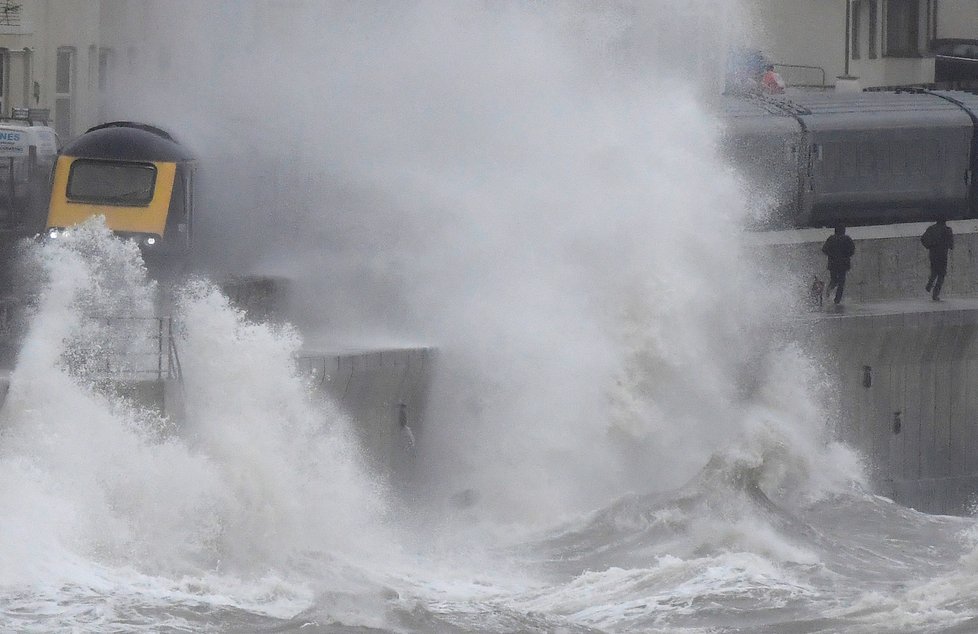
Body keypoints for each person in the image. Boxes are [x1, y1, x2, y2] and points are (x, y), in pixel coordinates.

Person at [822, 224, 855, 305]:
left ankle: (828, 292)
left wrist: (832, 255)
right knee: (841, 283)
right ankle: (837, 300)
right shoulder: (847, 239)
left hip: (833, 264)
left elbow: (824, 249)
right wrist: (845, 256)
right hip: (843, 264)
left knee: (833, 280)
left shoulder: (831, 239)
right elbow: (852, 250)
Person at [921, 219, 954, 301]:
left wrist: (929, 245)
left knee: (934, 271)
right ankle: (935, 294)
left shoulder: (931, 229)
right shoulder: (947, 230)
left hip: (933, 254)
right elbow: (951, 245)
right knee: (942, 274)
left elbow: (923, 239)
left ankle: (929, 284)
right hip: (942, 255)